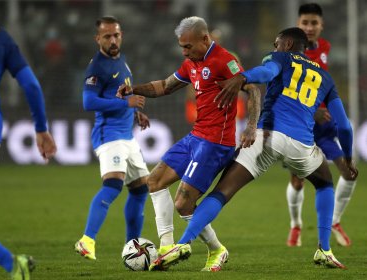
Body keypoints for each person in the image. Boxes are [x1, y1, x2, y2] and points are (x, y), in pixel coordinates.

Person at [153, 27, 358, 270]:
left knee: (222, 192)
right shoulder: (326, 79)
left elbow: (266, 71)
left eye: (277, 44)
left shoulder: (280, 58)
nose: (274, 48)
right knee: (324, 183)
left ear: (289, 44)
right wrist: (347, 156)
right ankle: (324, 249)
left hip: (266, 137)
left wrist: (244, 76)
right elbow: (344, 126)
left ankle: (184, 243)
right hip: (301, 145)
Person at [117, 16, 261, 271]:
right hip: (196, 136)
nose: (184, 52)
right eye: (181, 47)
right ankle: (166, 246)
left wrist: (251, 127)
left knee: (183, 203)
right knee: (154, 181)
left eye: (188, 46)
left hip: (216, 143)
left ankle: (217, 250)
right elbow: (164, 86)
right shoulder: (191, 62)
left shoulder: (224, 60)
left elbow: (254, 90)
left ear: (205, 39)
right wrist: (133, 89)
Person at [74, 16, 151, 261]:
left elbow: (120, 93)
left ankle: (132, 247)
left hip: (127, 135)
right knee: (113, 185)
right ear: (98, 39)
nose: (113, 40)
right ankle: (87, 241)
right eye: (107, 36)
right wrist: (125, 102)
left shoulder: (122, 60)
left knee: (140, 189)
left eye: (116, 35)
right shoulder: (97, 66)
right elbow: (88, 101)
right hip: (109, 135)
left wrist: (134, 111)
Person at [285, 3, 357, 247]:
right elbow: (287, 92)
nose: (309, 27)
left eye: (314, 23)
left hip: (324, 130)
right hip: (301, 127)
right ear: (298, 24)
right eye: (305, 22)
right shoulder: (290, 53)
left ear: (321, 25)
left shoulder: (324, 47)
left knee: (349, 172)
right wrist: (313, 111)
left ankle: (335, 220)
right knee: (298, 181)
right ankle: (296, 225)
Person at [0, 27, 57, 279]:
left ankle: (12, 264)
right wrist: (41, 128)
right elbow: (31, 85)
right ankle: (12, 263)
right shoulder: (2, 39)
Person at [184, 28, 247, 146]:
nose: (215, 42)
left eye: (217, 39)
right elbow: (191, 82)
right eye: (212, 39)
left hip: (227, 102)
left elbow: (238, 76)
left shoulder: (229, 57)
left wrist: (240, 93)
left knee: (232, 137)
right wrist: (193, 99)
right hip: (207, 104)